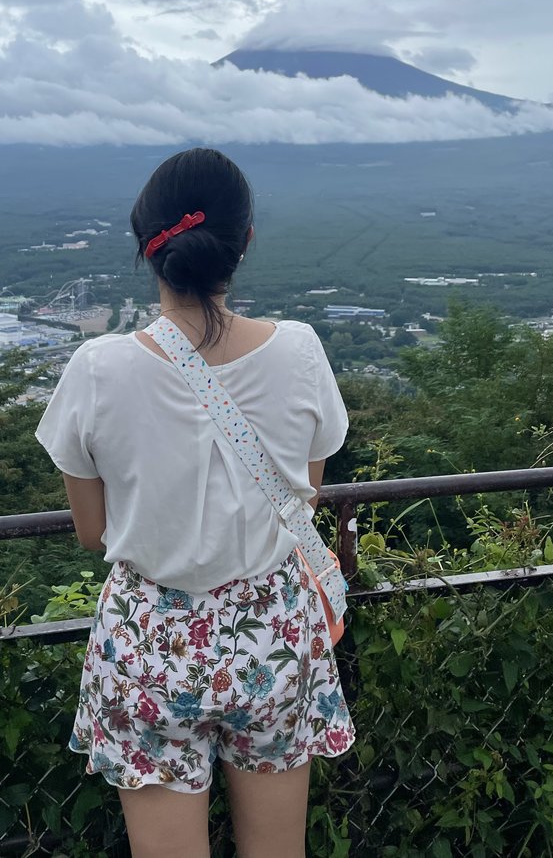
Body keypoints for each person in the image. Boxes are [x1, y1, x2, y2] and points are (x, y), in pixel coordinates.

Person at [36, 147, 355, 858]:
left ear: (148, 248)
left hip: (152, 639)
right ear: (243, 243)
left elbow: (93, 532)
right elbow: (303, 492)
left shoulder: (97, 369)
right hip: (271, 633)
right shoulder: (301, 350)